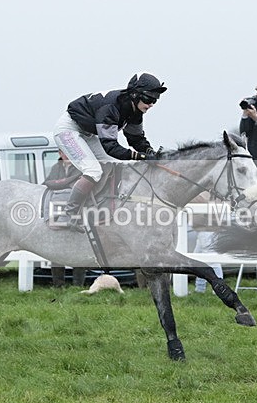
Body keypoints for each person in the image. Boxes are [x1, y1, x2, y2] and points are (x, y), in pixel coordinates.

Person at [52, 72, 166, 231]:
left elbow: (135, 139)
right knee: (93, 171)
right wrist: (140, 156)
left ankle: (97, 204)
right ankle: (68, 215)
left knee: (114, 164)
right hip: (69, 130)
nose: (151, 104)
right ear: (134, 94)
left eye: (155, 100)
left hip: (88, 133)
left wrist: (150, 152)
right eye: (148, 99)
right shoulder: (111, 108)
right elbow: (111, 147)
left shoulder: (134, 111)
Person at [42, 150, 86, 286]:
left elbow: (77, 187)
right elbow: (48, 183)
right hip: (57, 211)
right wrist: (67, 182)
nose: (65, 155)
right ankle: (58, 284)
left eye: (67, 152)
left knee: (78, 250)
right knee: (57, 251)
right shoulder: (56, 167)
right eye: (63, 152)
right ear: (60, 153)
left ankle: (78, 285)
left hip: (77, 211)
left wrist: (61, 183)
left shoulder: (80, 167)